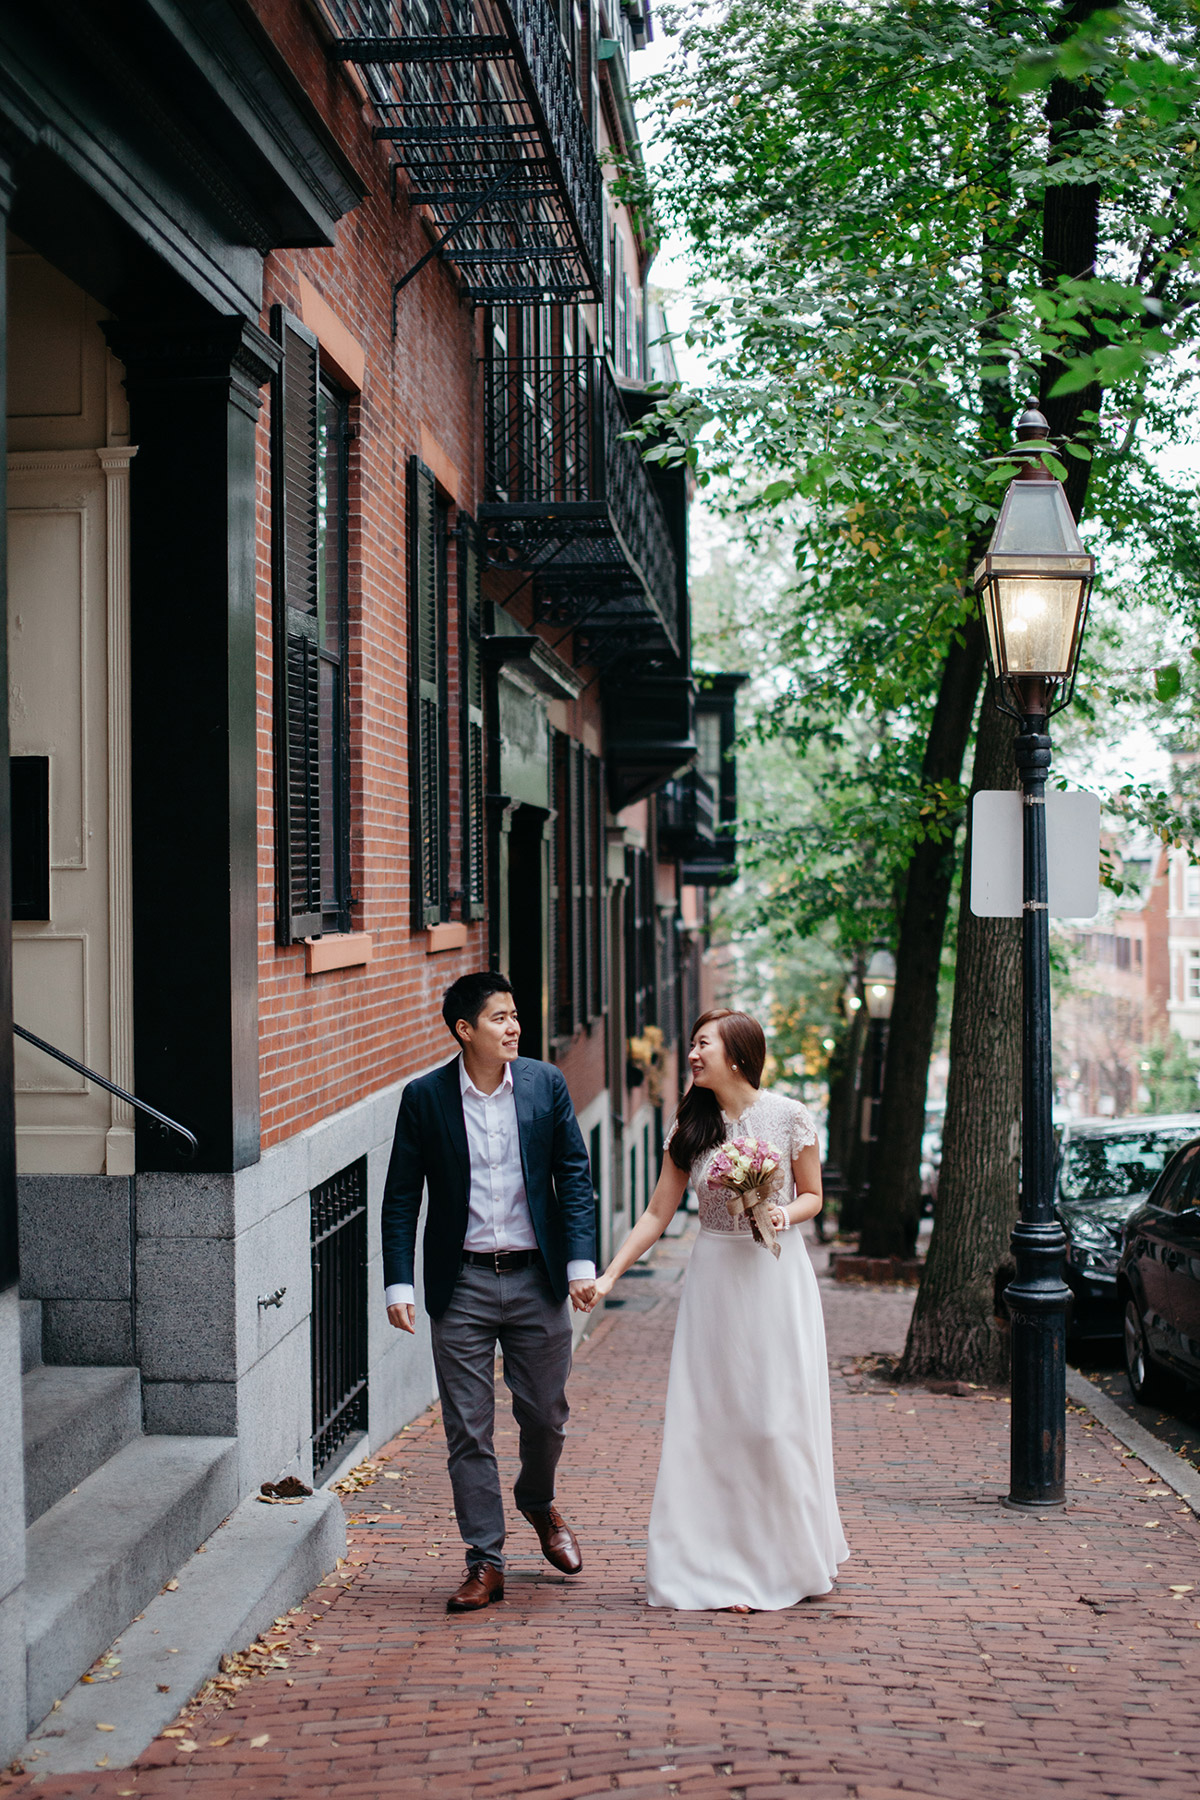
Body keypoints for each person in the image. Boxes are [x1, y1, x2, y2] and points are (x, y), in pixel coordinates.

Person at [578, 1008, 848, 1612]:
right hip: (715, 1281)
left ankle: (784, 1558)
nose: (693, 1054)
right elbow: (655, 1215)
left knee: (774, 1421)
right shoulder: (689, 1129)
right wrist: (609, 1274)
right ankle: (714, 1566)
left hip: (776, 1278)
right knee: (711, 1423)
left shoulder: (789, 1116)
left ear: (739, 1054)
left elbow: (813, 1196)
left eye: (704, 1044)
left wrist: (782, 1213)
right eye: (693, 1043)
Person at [381, 972, 597, 1612]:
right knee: (468, 1431)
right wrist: (399, 1282)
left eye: (515, 1015)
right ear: (464, 1030)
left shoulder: (543, 1085)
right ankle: (485, 1560)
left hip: (537, 1276)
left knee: (545, 1417)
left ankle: (537, 1501)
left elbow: (574, 1178)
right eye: (499, 1017)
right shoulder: (425, 1098)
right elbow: (400, 1198)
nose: (514, 1027)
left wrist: (581, 1264)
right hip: (463, 1283)